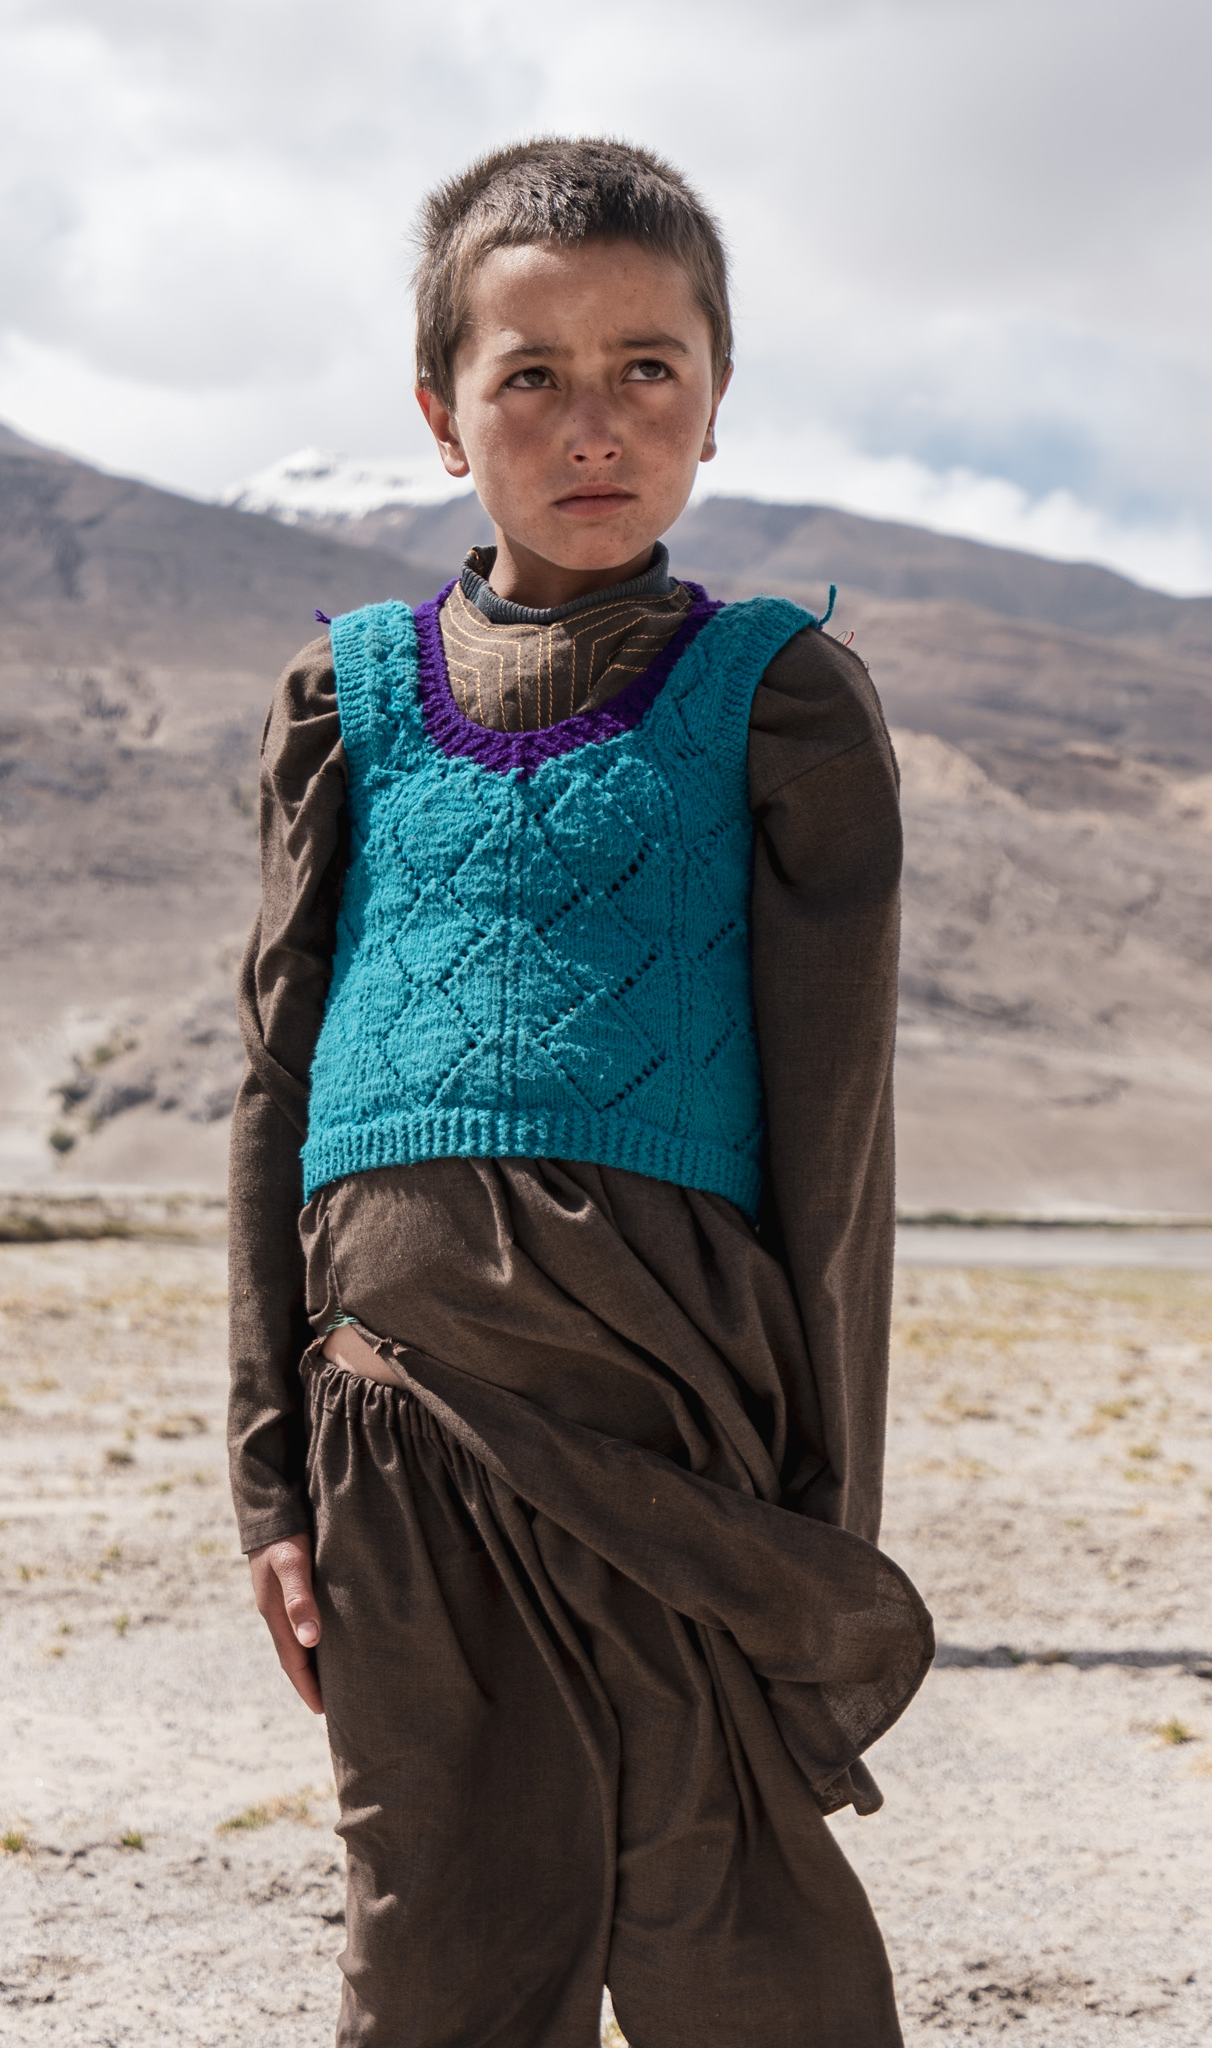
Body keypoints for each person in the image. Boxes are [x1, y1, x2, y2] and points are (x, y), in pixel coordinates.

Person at [227, 136, 932, 2048]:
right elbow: (275, 1101)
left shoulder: (774, 700)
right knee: (437, 1946)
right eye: (526, 373)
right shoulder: (342, 702)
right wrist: (266, 1478)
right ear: (442, 416)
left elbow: (838, 1137)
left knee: (736, 1945)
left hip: (676, 1435)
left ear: (715, 397)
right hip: (385, 1428)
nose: (591, 421)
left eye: (646, 368)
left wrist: (812, 1524)